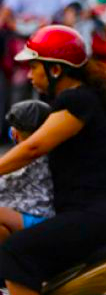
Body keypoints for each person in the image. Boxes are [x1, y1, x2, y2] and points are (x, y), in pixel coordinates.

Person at [0, 25, 106, 295]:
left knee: (16, 253)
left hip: (93, 213)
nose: (28, 74)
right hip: (90, 211)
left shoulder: (77, 100)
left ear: (55, 69)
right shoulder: (70, 100)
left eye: (34, 66)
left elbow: (35, 147)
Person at [0, 101, 55, 243]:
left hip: (36, 219)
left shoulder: (26, 157)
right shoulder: (52, 150)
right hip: (35, 215)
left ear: (15, 134)